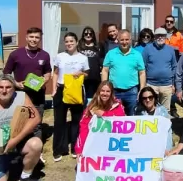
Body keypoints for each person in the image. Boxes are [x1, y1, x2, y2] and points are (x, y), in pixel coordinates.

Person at [52, 32, 89, 161]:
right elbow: (55, 73)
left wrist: (81, 73)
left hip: (76, 90)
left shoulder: (83, 58)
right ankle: (58, 149)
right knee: (59, 120)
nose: (69, 44)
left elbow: (87, 74)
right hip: (61, 89)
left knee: (76, 120)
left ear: (77, 42)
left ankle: (75, 147)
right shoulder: (59, 56)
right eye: (66, 41)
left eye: (71, 41)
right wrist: (53, 89)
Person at [3, 27, 52, 118]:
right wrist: (16, 83)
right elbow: (6, 73)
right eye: (31, 37)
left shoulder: (45, 55)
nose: (34, 40)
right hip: (20, 94)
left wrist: (45, 80)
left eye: (37, 37)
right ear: (26, 38)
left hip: (38, 94)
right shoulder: (15, 54)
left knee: (37, 120)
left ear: (40, 39)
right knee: (20, 121)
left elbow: (48, 72)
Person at [74, 81, 127, 155]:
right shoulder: (91, 106)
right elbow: (84, 128)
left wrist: (104, 114)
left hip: (113, 145)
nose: (105, 94)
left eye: (108, 91)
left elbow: (122, 123)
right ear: (99, 92)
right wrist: (79, 149)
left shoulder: (117, 106)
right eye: (102, 91)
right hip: (95, 145)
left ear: (111, 93)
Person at [101, 29, 146, 116]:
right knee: (113, 116)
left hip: (132, 91)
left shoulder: (137, 54)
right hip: (114, 91)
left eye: (126, 39)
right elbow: (105, 70)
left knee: (132, 117)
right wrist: (105, 87)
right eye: (122, 40)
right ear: (118, 40)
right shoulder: (111, 54)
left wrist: (142, 89)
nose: (124, 42)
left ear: (130, 40)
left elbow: (142, 72)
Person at [142, 27, 177, 112]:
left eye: (162, 36)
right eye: (158, 35)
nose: (160, 37)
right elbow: (143, 67)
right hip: (151, 84)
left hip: (167, 85)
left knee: (165, 111)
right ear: (154, 37)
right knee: (150, 109)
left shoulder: (170, 49)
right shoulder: (147, 49)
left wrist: (173, 84)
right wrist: (144, 84)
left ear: (166, 37)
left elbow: (174, 66)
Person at [135, 86, 173, 152]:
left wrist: (167, 149)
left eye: (150, 97)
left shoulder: (163, 112)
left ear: (154, 98)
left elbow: (168, 132)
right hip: (144, 147)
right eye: (144, 98)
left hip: (160, 146)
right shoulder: (137, 113)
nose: (148, 100)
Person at [77, 26, 102, 101]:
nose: (88, 35)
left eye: (90, 34)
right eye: (86, 34)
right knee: (82, 98)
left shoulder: (98, 46)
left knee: (93, 99)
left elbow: (101, 61)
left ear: (93, 35)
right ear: (83, 35)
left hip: (95, 77)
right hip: (82, 77)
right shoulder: (79, 47)